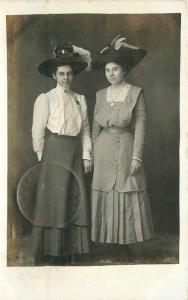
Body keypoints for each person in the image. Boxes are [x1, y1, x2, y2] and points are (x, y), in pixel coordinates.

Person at [17, 43, 93, 265]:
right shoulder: (46, 98)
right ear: (54, 75)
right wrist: (41, 155)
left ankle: (73, 250)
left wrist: (88, 155)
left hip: (74, 152)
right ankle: (51, 252)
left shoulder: (80, 99)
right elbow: (37, 129)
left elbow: (86, 130)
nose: (66, 77)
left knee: (74, 197)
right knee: (54, 199)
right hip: (54, 150)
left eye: (69, 73)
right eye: (61, 74)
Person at [91, 35, 153, 261]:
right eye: (107, 70)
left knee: (125, 193)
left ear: (124, 70)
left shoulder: (136, 93)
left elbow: (141, 125)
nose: (110, 74)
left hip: (127, 148)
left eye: (115, 69)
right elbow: (95, 127)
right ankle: (110, 244)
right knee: (106, 193)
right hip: (103, 150)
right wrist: (92, 155)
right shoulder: (99, 95)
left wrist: (137, 157)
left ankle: (125, 244)